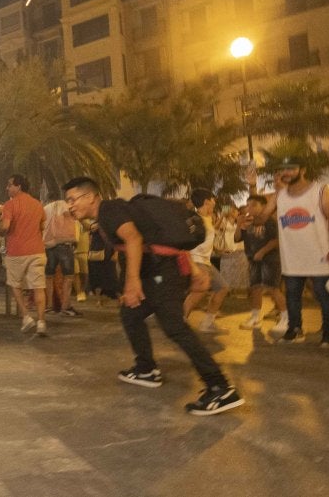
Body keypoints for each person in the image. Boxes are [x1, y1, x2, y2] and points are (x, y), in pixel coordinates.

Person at [62, 176, 240, 414]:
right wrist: (194, 271)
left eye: (73, 200)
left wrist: (133, 284)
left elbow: (134, 239)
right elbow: (155, 239)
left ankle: (220, 387)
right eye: (68, 201)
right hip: (159, 271)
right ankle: (146, 369)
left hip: (162, 274)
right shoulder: (110, 213)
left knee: (174, 327)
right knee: (131, 314)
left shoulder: (109, 211)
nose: (70, 206)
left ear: (90, 197)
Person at [267, 159, 329, 347]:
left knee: (323, 295)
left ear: (303, 169)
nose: (287, 172)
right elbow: (261, 216)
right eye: (283, 169)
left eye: (291, 168)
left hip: (319, 253)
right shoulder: (279, 195)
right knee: (292, 295)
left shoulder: (320, 190)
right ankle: (295, 330)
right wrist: (252, 186)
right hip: (292, 256)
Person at [0, 174, 48, 336]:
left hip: (17, 251)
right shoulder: (38, 204)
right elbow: (42, 225)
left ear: (18, 186)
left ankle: (26, 316)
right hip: (37, 250)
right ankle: (41, 321)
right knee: (38, 287)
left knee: (15, 284)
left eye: (9, 185)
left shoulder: (10, 205)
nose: (7, 188)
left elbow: (5, 227)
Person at [237, 195, 289, 335]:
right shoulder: (248, 222)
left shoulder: (269, 221)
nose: (249, 208)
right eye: (248, 205)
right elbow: (237, 238)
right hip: (253, 260)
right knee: (255, 288)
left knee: (273, 289)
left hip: (270, 259)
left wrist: (262, 251)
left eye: (253, 205)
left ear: (263, 207)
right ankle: (255, 317)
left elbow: (275, 241)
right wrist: (238, 224)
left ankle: (286, 318)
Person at [183, 189, 228, 333]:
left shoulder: (207, 218)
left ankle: (207, 324)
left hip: (206, 261)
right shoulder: (194, 220)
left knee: (222, 288)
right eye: (213, 199)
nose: (215, 202)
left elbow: (208, 237)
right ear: (207, 201)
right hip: (196, 260)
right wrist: (193, 266)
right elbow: (184, 245)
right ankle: (180, 323)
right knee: (199, 291)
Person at [43, 196, 80, 317]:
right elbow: (72, 215)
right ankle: (65, 307)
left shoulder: (45, 208)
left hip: (48, 245)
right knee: (68, 276)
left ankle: (49, 306)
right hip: (64, 244)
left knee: (49, 276)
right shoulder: (65, 205)